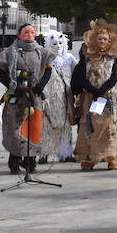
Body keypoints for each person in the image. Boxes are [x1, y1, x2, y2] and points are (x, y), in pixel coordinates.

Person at [0, 23, 55, 174]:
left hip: (35, 96)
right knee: (14, 129)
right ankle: (14, 162)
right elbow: (0, 73)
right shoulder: (10, 52)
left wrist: (40, 86)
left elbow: (48, 71)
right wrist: (13, 85)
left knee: (33, 129)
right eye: (26, 32)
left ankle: (30, 163)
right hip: (16, 95)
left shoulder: (43, 52)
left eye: (32, 32)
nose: (29, 34)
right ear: (19, 35)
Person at [72, 20, 117, 171]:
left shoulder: (113, 59)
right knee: (89, 127)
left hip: (107, 98)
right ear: (94, 40)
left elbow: (114, 77)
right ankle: (90, 158)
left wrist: (101, 91)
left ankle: (110, 157)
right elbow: (79, 77)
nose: (102, 41)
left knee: (107, 127)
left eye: (105, 39)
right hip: (89, 98)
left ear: (109, 42)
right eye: (99, 38)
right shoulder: (85, 58)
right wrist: (92, 90)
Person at [42, 31, 76, 162]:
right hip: (49, 97)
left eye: (60, 43)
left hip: (65, 98)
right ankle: (44, 154)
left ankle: (65, 154)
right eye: (54, 43)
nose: (58, 46)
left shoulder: (69, 58)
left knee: (65, 126)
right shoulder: (45, 59)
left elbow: (78, 71)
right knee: (46, 125)